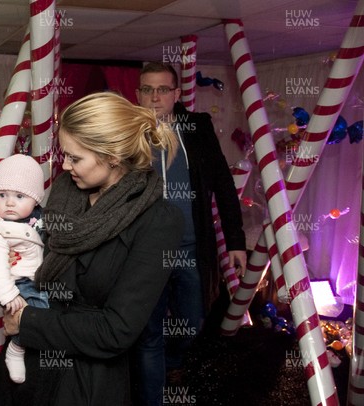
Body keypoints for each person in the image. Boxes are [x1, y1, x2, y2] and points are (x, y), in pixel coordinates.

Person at [0, 92, 184, 406]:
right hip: (26, 365)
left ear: (112, 156)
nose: (65, 165)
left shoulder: (158, 220)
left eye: (75, 158)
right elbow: (21, 248)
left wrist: (28, 321)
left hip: (85, 380)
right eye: (65, 154)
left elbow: (117, 330)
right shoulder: (66, 193)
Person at [132, 62, 247, 404]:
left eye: (162, 89)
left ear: (176, 94)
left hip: (190, 249)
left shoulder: (197, 127)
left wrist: (236, 242)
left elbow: (224, 186)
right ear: (137, 94)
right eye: (147, 89)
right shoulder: (125, 132)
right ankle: (153, 397)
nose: (155, 97)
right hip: (143, 254)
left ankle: (172, 362)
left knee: (192, 323)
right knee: (148, 331)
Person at [0, 154, 49, 384]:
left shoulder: (36, 218)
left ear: (35, 200)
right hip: (13, 283)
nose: (10, 203)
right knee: (35, 311)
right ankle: (17, 348)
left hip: (34, 277)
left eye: (20, 196)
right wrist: (8, 294)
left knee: (44, 311)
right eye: (2, 195)